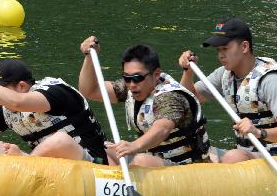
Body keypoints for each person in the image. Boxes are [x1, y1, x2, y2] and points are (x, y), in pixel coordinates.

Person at [178, 18, 277, 164]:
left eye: (225, 48)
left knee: (234, 156)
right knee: (193, 151)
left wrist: (258, 132)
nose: (220, 55)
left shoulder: (272, 80)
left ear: (244, 47)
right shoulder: (224, 74)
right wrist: (188, 71)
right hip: (244, 154)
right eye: (218, 49)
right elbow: (187, 100)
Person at [78, 37, 210, 167]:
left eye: (137, 78)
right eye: (127, 78)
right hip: (159, 162)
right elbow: (90, 90)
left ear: (157, 74)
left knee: (142, 160)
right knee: (105, 148)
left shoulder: (170, 97)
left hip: (190, 168)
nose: (132, 84)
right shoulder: (131, 87)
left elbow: (162, 128)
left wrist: (133, 145)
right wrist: (89, 57)